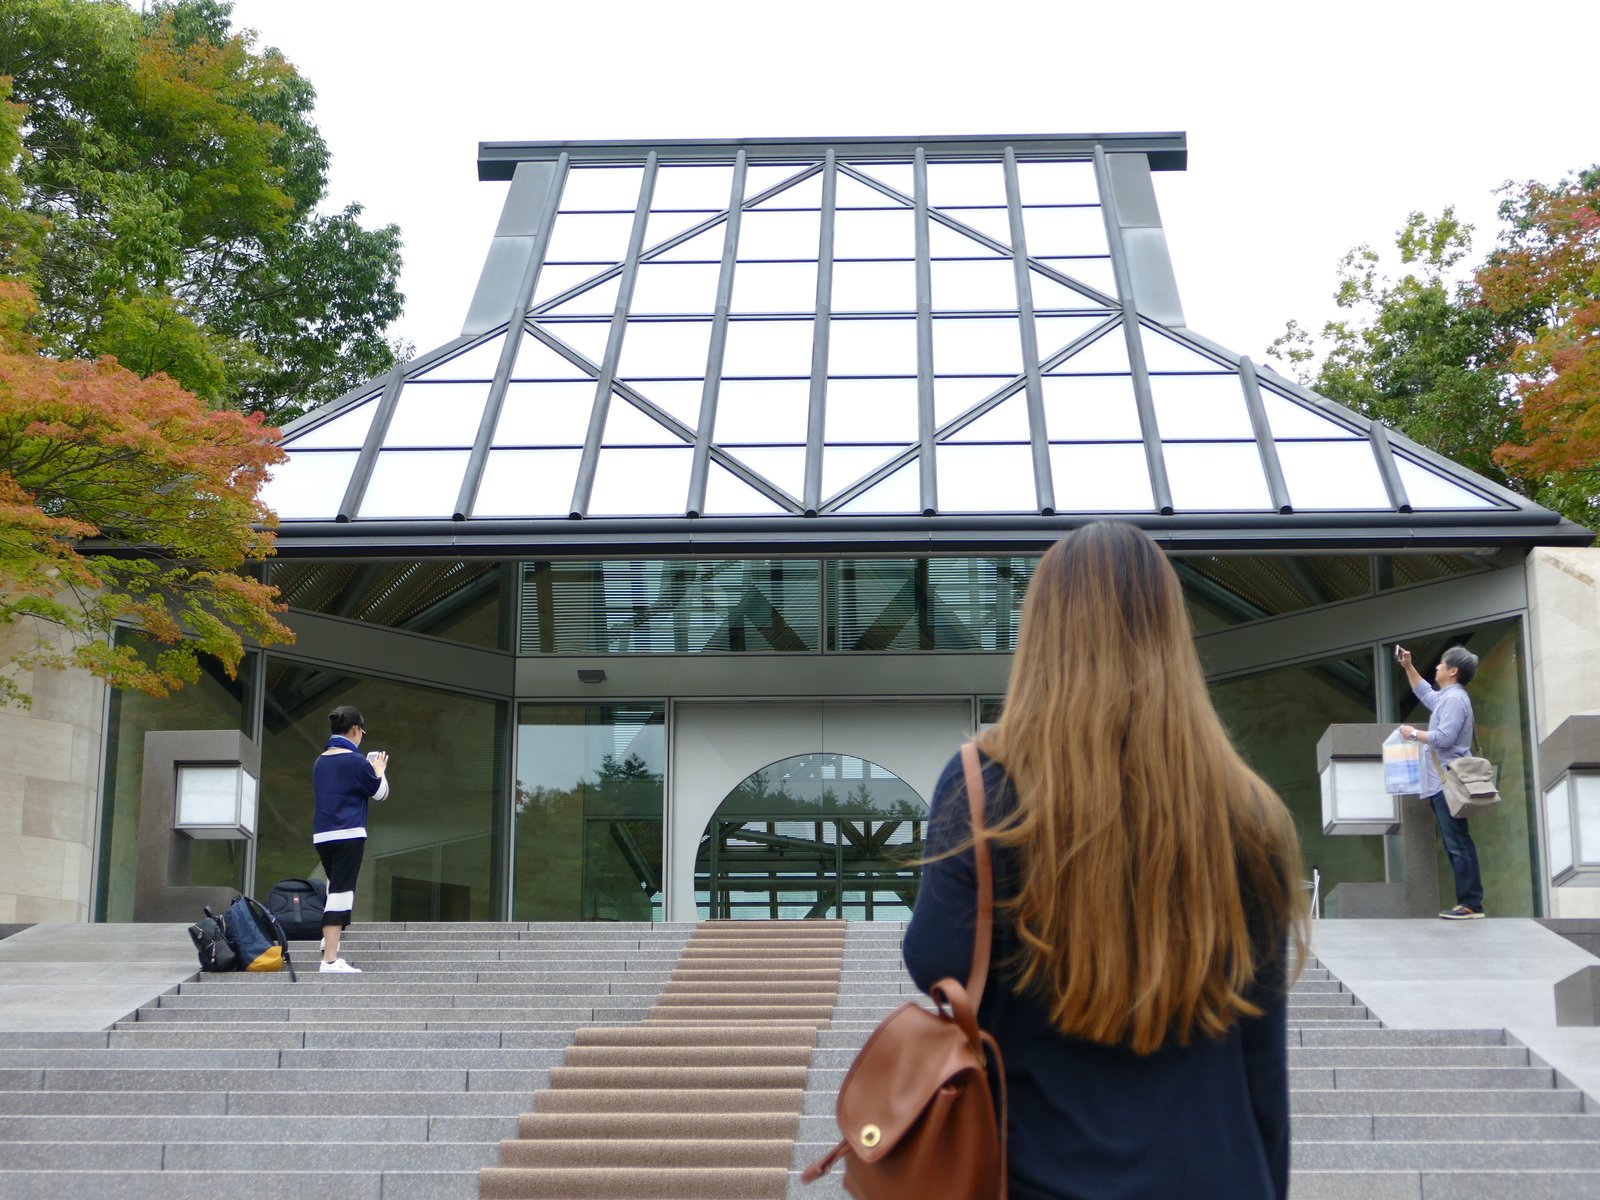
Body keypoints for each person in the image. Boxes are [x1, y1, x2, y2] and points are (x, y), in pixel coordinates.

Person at [903, 522, 1307, 1200]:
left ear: (1042, 634)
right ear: (1170, 632)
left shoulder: (985, 784)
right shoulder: (1247, 811)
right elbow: (1261, 1062)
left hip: (1037, 1173)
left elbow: (934, 961)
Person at [1396, 645, 1483, 919]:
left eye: (1442, 664)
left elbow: (1444, 739)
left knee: (1458, 843)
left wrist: (1413, 734)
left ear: (1453, 670)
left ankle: (1470, 904)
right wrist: (1408, 666)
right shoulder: (1448, 698)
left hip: (1449, 783)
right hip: (1441, 784)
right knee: (1455, 843)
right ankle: (1469, 903)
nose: (1437, 667)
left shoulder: (1455, 700)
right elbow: (1424, 693)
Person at [312, 704, 388, 974]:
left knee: (335, 887)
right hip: (348, 833)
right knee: (341, 894)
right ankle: (330, 960)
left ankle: (328, 943)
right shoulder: (356, 762)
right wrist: (378, 768)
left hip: (322, 835)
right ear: (355, 730)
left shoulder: (321, 760)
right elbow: (380, 793)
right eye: (362, 733)